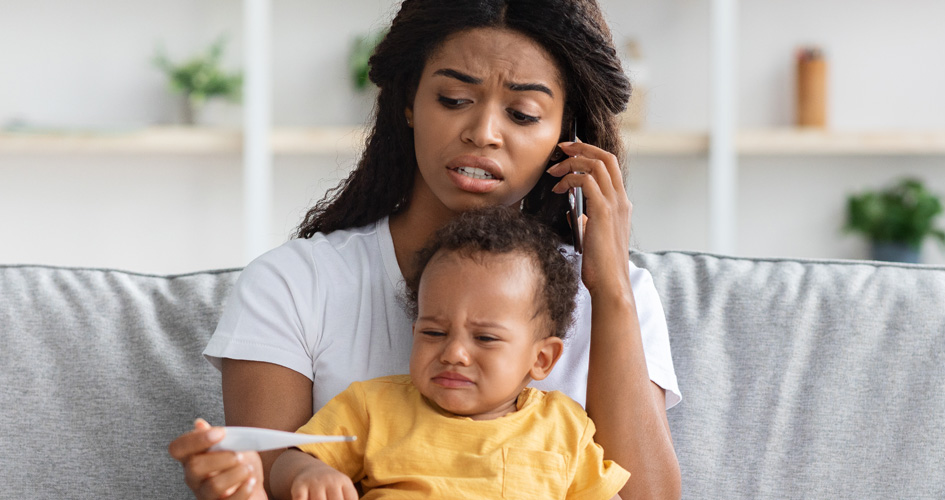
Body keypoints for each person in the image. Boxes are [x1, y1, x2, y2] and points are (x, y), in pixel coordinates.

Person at [168, 1, 682, 499]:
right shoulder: (294, 284)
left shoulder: (619, 296)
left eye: (523, 114)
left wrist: (612, 288)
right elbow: (273, 477)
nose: (482, 133)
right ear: (409, 102)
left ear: (566, 135)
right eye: (454, 100)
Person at [269, 207, 630, 500]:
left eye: (486, 338)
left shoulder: (563, 426)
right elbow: (288, 462)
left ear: (541, 359)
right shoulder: (372, 407)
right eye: (434, 332)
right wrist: (310, 473)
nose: (454, 353)